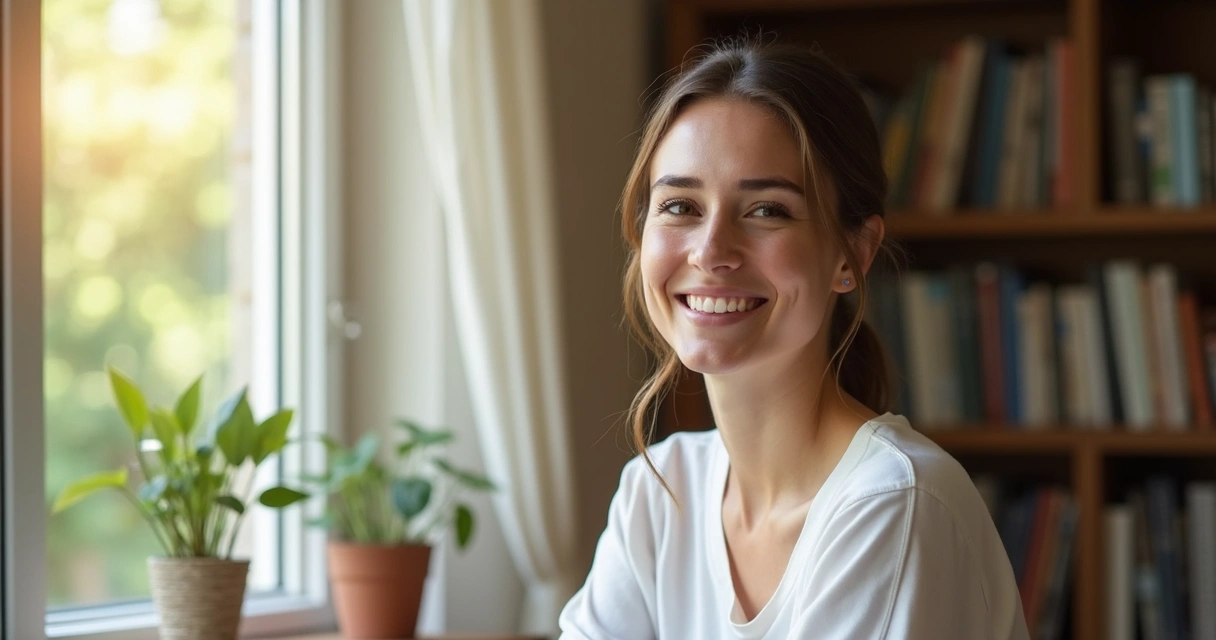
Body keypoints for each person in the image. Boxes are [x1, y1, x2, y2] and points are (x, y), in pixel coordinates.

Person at [557, 39, 1030, 640]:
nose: (710, 251)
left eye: (766, 211)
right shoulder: (662, 492)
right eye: (679, 206)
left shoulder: (894, 502)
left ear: (852, 254)